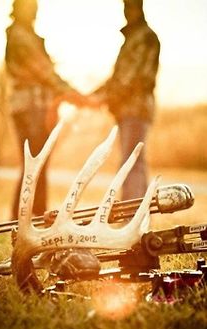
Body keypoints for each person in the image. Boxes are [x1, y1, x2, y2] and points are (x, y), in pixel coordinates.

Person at [5, 0, 88, 219]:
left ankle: (33, 217)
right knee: (35, 164)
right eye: (30, 5)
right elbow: (44, 71)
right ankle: (26, 218)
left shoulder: (23, 35)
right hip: (30, 107)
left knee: (35, 165)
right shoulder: (21, 36)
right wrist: (74, 94)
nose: (35, 9)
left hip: (32, 106)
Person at [94, 0, 160, 201]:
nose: (127, 11)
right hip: (125, 110)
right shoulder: (131, 40)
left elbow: (132, 79)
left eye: (130, 6)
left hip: (136, 109)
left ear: (139, 7)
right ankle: (134, 211)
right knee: (131, 160)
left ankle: (132, 214)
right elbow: (117, 78)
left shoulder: (145, 38)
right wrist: (93, 95)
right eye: (125, 6)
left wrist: (100, 98)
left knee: (132, 161)